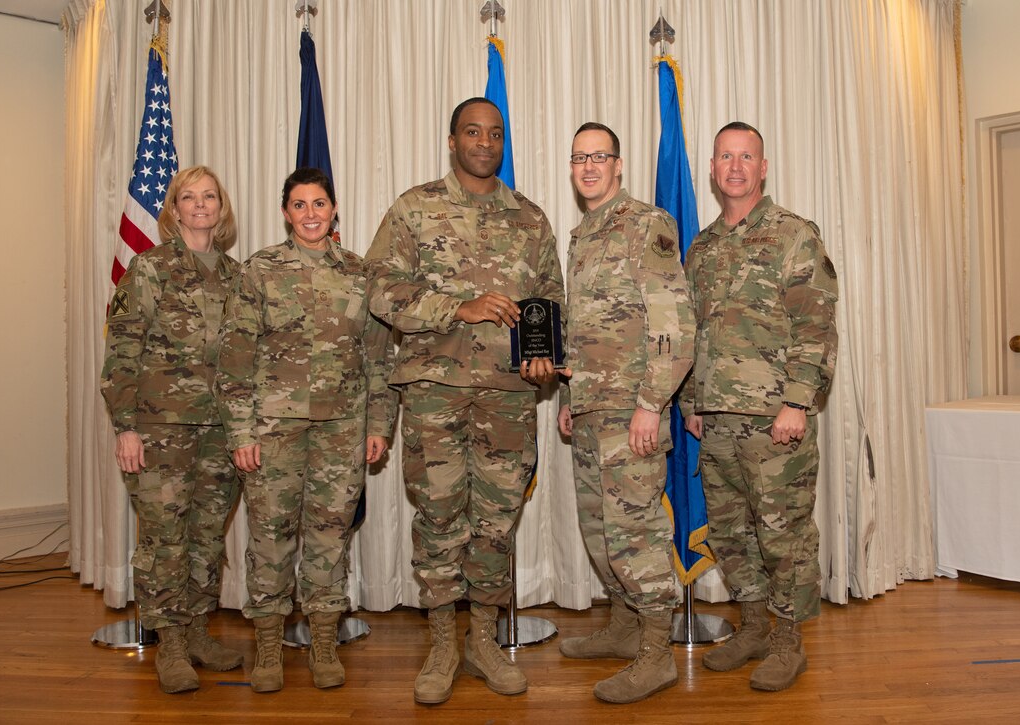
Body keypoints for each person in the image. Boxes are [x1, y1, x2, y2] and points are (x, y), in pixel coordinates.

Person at [364, 97, 565, 705]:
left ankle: (482, 641)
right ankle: (443, 645)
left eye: (495, 133)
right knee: (439, 518)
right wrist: (459, 307)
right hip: (434, 393)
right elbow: (380, 289)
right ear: (451, 140)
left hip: (507, 396)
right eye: (473, 132)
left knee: (496, 523)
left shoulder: (529, 219)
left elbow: (550, 298)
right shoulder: (415, 208)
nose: (485, 141)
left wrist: (544, 354)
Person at [523, 123, 694, 704]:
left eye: (599, 157)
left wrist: (652, 406)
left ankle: (656, 653)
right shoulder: (582, 234)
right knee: (599, 530)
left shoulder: (645, 224)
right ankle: (624, 628)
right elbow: (582, 330)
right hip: (593, 411)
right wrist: (572, 400)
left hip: (632, 413)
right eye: (579, 158)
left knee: (635, 535)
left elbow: (674, 325)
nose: (588, 167)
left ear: (618, 165)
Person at [215, 167, 396, 694]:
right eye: (300, 205)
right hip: (273, 431)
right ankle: (268, 645)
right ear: (285, 212)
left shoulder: (360, 272)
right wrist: (242, 433)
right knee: (270, 538)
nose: (311, 214)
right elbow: (234, 361)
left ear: (334, 209)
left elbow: (379, 360)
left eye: (320, 204)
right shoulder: (260, 272)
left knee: (328, 538)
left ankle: (322, 640)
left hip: (342, 430)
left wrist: (379, 423)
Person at [681, 122, 838, 692]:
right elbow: (694, 332)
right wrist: (692, 401)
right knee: (730, 534)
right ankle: (751, 627)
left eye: (747, 156)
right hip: (717, 421)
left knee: (784, 537)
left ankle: (787, 642)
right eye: (726, 156)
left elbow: (815, 326)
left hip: (776, 420)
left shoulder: (794, 234)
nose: (736, 166)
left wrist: (797, 403)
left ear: (763, 166)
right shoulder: (702, 247)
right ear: (714, 167)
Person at [101, 165, 244, 694]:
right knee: (165, 537)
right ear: (174, 208)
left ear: (221, 208)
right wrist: (126, 427)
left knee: (207, 535)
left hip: (221, 430)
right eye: (189, 196)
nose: (201, 204)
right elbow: (121, 351)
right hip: (161, 428)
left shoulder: (236, 276)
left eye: (209, 196)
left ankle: (198, 630)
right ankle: (172, 644)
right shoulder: (149, 269)